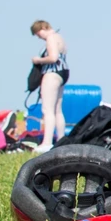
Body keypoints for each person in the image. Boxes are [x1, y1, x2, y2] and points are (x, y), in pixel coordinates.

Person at [31, 20, 69, 153]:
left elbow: (53, 57)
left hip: (52, 73)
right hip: (63, 73)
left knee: (47, 109)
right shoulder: (60, 38)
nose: (38, 37)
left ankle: (47, 142)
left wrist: (38, 60)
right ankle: (61, 139)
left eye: (37, 33)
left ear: (43, 27)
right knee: (58, 109)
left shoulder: (51, 38)